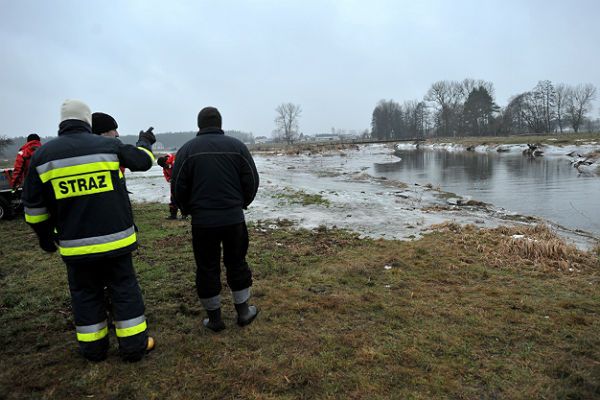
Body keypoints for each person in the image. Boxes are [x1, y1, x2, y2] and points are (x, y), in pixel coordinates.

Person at [22, 99, 157, 362]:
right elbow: (143, 161)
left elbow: (34, 210)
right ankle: (133, 347)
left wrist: (45, 238)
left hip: (75, 246)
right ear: (87, 121)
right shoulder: (108, 146)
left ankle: (93, 350)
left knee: (85, 294)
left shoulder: (42, 157)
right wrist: (146, 141)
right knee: (124, 290)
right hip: (116, 241)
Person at [172, 106, 260, 332]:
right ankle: (243, 312)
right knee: (237, 262)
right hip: (233, 218)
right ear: (219, 124)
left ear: (199, 125)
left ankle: (214, 319)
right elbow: (251, 179)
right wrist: (242, 204)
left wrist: (187, 209)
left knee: (207, 267)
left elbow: (178, 185)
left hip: (203, 222)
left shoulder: (187, 150)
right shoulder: (237, 147)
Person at [156, 153, 179, 219]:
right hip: (173, 182)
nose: (164, 167)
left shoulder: (173, 160)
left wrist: (171, 165)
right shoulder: (164, 166)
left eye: (164, 165)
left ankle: (184, 214)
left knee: (182, 197)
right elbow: (165, 173)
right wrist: (169, 179)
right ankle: (173, 215)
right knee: (173, 199)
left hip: (180, 181)